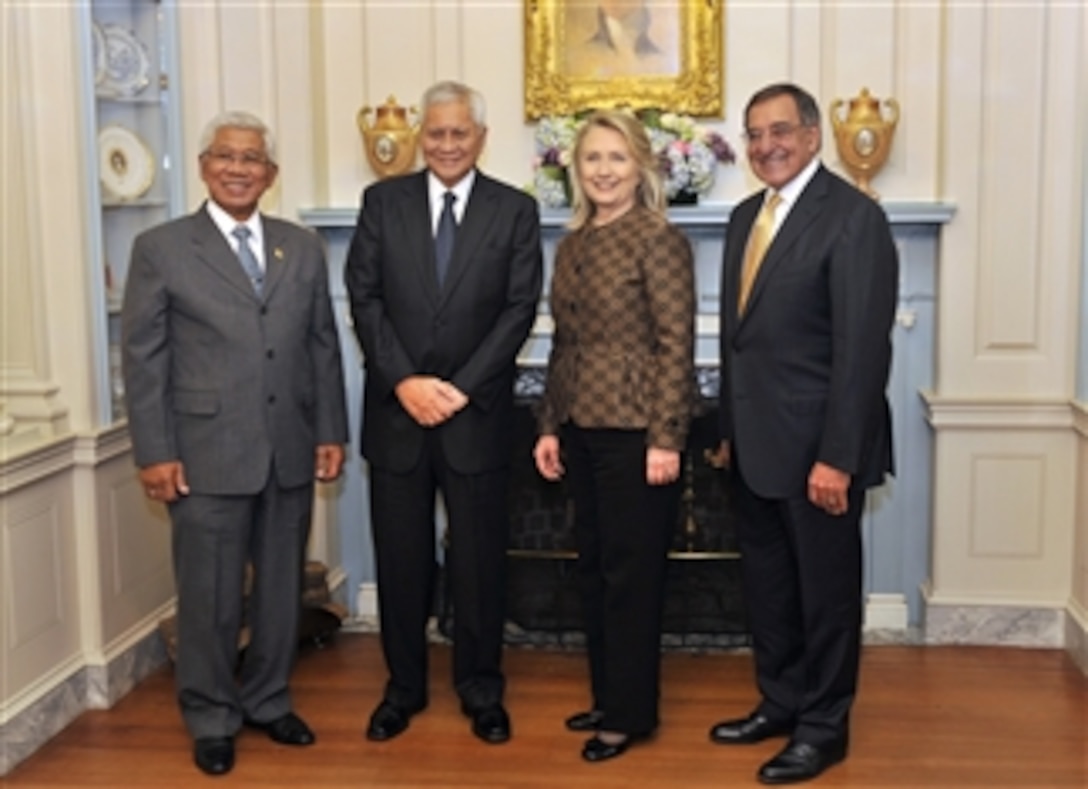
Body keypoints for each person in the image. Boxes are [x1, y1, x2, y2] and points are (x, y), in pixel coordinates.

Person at [121, 111, 349, 776]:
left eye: (252, 158)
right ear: (203, 167)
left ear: (270, 175)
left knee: (281, 590)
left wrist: (330, 429)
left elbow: (322, 346)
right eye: (226, 155)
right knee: (210, 595)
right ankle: (211, 713)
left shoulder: (300, 246)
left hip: (288, 446)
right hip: (201, 451)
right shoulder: (162, 248)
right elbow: (144, 358)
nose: (239, 167)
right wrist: (154, 450)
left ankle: (269, 699)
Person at [710, 82, 898, 784]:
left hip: (819, 453)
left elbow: (861, 352)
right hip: (754, 449)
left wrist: (837, 458)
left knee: (825, 596)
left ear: (814, 135)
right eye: (754, 134)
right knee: (770, 592)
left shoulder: (853, 219)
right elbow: (740, 343)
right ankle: (781, 701)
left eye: (780, 130)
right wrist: (729, 431)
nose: (766, 146)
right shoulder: (741, 219)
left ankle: (825, 726)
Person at [344, 80, 543, 746]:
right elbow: (364, 299)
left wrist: (457, 387)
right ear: (419, 137)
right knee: (401, 560)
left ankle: (482, 689)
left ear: (480, 138)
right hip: (397, 416)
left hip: (476, 414)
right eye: (436, 133)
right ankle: (402, 688)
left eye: (460, 133)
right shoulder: (382, 202)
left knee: (481, 563)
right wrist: (405, 382)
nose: (447, 144)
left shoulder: (514, 210)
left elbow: (519, 309)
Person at [533, 110, 696, 763]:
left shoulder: (658, 239)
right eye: (593, 158)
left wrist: (667, 436)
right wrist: (548, 423)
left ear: (642, 167)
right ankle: (610, 695)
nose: (603, 170)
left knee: (631, 578)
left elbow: (675, 345)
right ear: (577, 169)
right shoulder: (573, 242)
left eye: (617, 158)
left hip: (637, 433)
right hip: (580, 427)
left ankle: (629, 714)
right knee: (595, 572)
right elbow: (563, 345)